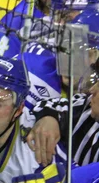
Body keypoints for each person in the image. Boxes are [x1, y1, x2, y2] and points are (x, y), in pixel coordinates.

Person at [27, 10, 99, 166]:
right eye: (65, 49)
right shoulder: (38, 73)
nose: (67, 61)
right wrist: (48, 116)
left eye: (80, 52)